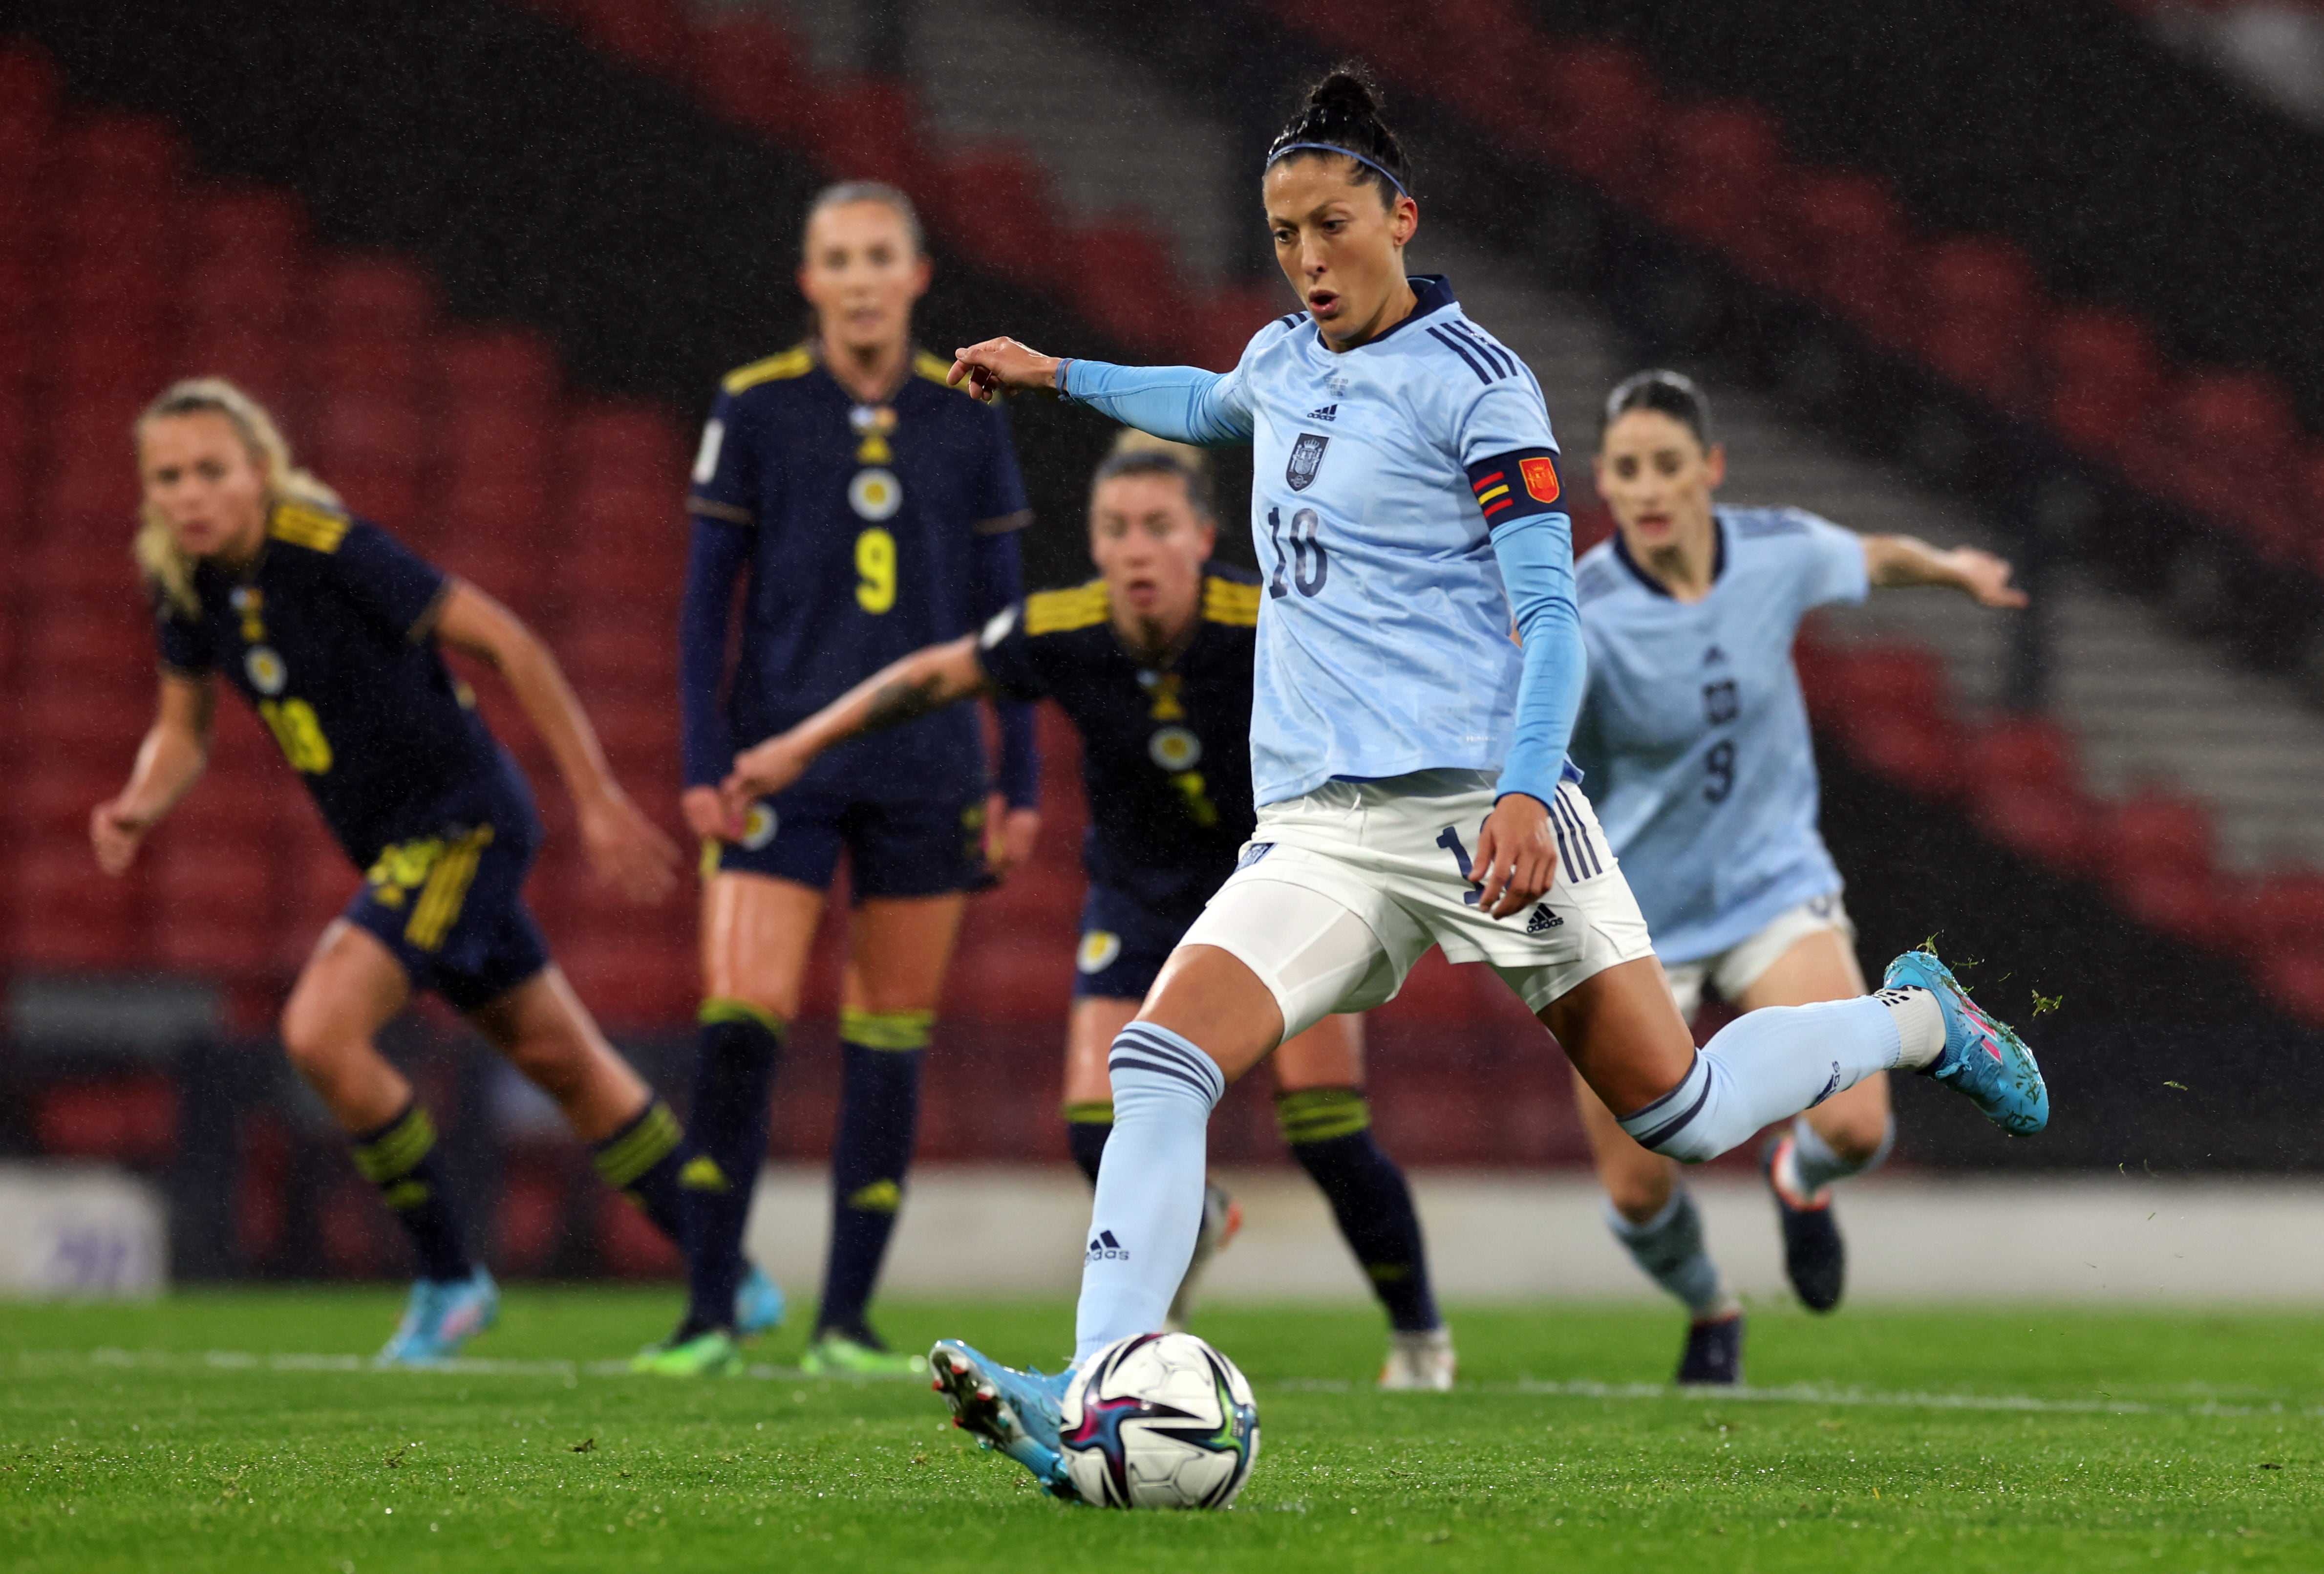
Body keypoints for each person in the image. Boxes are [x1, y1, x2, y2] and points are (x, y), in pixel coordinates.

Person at [905, 65, 2047, 1498]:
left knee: (1677, 1112)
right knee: (1158, 1058)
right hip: (1322, 827)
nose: (1306, 260)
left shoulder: (1481, 391)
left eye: (1329, 226)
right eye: (1280, 236)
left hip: (1482, 809)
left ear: (1398, 215)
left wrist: (1520, 789)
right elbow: (1207, 404)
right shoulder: (1283, 358)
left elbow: (1550, 619)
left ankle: (1912, 1019)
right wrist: (1056, 372)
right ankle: (1089, 1388)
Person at [723, 433, 1456, 1389]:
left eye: (1158, 527)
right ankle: (1187, 1233)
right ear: (1096, 544)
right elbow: (934, 677)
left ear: (1203, 536)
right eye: (1115, 530)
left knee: (1325, 1130)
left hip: (1277, 885)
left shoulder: (1272, 616)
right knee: (1093, 1126)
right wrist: (796, 747)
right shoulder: (1064, 626)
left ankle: (1417, 1334)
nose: (1136, 549)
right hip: (1138, 896)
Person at [94, 378, 775, 1363]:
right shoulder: (183, 581)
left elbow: (507, 639)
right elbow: (179, 728)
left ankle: (451, 1279)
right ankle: (732, 1275)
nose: (192, 493)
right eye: (169, 477)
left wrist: (595, 796)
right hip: (405, 843)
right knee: (565, 1064)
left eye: (212, 470)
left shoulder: (329, 550)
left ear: (260, 469)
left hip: (463, 825)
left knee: (320, 1030)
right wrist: (139, 804)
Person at [1570, 370, 2029, 1384]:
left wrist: (1951, 570)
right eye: (1629, 470)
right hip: (1632, 917)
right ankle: (1709, 1306)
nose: (1649, 489)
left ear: (1710, 472)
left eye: (1669, 467)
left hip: (1772, 889)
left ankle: (1800, 1178)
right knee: (1641, 1192)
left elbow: (1870, 557)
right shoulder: (1584, 616)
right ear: (1604, 479)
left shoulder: (1771, 550)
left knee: (1858, 1125)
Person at [655, 181, 1043, 1377]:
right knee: (741, 1022)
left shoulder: (968, 413)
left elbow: (1007, 618)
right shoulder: (757, 406)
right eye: (840, 257)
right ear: (810, 279)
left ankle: (848, 1325)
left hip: (929, 770)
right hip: (782, 762)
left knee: (889, 1037)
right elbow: (701, 606)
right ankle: (709, 1314)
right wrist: (700, 761)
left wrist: (1016, 776)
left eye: (883, 255)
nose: (863, 276)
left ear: (919, 277)